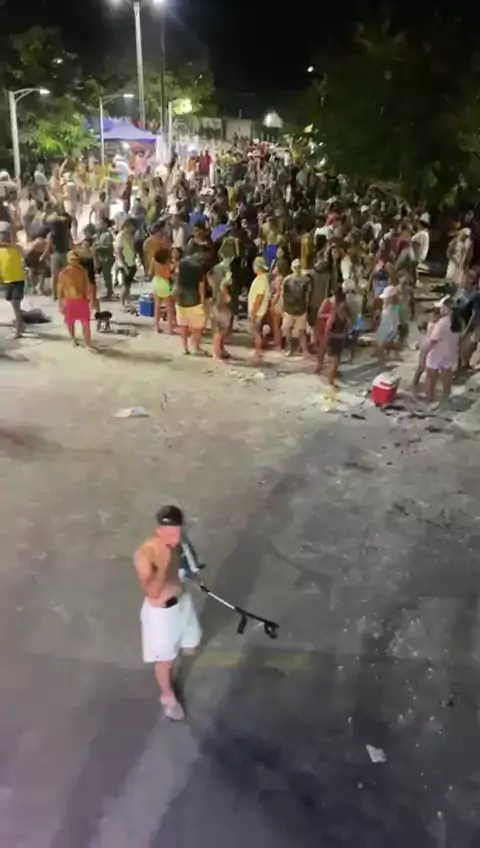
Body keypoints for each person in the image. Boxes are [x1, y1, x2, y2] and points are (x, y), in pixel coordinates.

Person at [134, 505, 202, 720]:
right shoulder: (146, 554)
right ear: (159, 531)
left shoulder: (179, 542)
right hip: (162, 615)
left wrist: (194, 575)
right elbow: (152, 591)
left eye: (179, 532)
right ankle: (167, 696)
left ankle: (183, 645)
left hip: (183, 602)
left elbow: (189, 564)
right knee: (165, 661)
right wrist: (163, 566)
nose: (176, 538)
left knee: (191, 642)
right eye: (171, 534)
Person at [425, 296, 459, 404]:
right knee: (447, 373)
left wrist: (424, 353)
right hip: (450, 352)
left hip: (437, 352)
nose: (440, 310)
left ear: (446, 308)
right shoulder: (458, 321)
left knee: (431, 377)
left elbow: (433, 340)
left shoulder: (441, 323)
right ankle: (446, 397)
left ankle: (430, 400)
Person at [57, 250, 92, 349]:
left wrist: (91, 298)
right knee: (70, 322)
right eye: (72, 259)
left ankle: (87, 343)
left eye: (76, 259)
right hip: (69, 300)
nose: (74, 261)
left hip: (82, 300)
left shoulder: (83, 271)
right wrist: (60, 303)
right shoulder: (64, 273)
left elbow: (88, 284)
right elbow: (60, 289)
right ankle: (73, 339)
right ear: (68, 260)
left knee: (86, 323)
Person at [173, 254, 206, 354]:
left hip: (180, 301)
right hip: (194, 300)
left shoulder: (180, 270)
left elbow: (175, 286)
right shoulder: (199, 269)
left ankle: (185, 348)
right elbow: (201, 287)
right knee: (198, 326)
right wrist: (203, 301)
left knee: (183, 326)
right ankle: (196, 347)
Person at [281, 258, 312, 357]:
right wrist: (282, 307)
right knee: (286, 329)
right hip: (288, 309)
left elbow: (307, 295)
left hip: (301, 309)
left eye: (298, 267)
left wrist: (306, 308)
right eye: (295, 267)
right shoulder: (287, 280)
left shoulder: (306, 280)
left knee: (302, 332)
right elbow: (283, 294)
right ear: (292, 268)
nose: (297, 269)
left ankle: (304, 350)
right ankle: (289, 347)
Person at [0, 221, 25, 338]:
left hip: (17, 280)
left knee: (16, 305)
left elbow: (17, 246)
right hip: (7, 281)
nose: (3, 238)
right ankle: (21, 325)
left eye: (5, 236)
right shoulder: (1, 251)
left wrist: (11, 233)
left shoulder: (16, 248)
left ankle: (19, 331)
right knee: (14, 305)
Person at [248, 256, 271, 365]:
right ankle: (257, 351)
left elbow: (259, 298)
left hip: (258, 312)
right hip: (257, 311)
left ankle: (257, 353)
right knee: (257, 332)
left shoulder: (262, 280)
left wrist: (253, 312)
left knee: (256, 333)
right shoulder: (261, 278)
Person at [208, 259, 232, 360]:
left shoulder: (213, 281)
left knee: (218, 331)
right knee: (219, 332)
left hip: (215, 306)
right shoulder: (223, 284)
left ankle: (221, 350)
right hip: (220, 308)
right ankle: (216, 354)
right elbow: (227, 298)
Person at [151, 246, 175, 334]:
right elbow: (167, 275)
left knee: (157, 306)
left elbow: (150, 272)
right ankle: (170, 329)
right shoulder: (166, 264)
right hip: (164, 283)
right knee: (169, 308)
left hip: (155, 281)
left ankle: (157, 326)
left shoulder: (154, 261)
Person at [114, 218, 137, 306]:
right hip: (125, 264)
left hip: (131, 262)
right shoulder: (120, 236)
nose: (133, 228)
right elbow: (119, 252)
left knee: (128, 284)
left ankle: (127, 299)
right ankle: (122, 303)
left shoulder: (129, 235)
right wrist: (125, 266)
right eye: (132, 226)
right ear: (127, 226)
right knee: (125, 285)